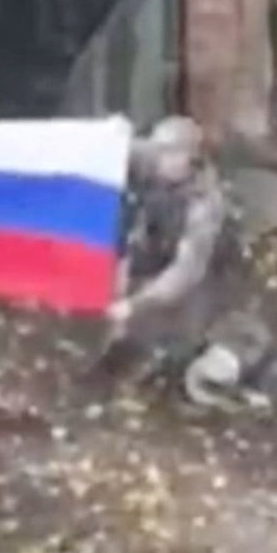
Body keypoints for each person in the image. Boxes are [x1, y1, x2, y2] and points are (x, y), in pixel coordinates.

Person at [99, 115, 232, 386]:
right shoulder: (151, 157)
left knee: (180, 332)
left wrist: (138, 303)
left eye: (175, 154)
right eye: (161, 151)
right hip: (146, 237)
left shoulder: (205, 203)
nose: (165, 160)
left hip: (192, 260)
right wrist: (108, 134)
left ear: (192, 158)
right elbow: (118, 151)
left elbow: (187, 270)